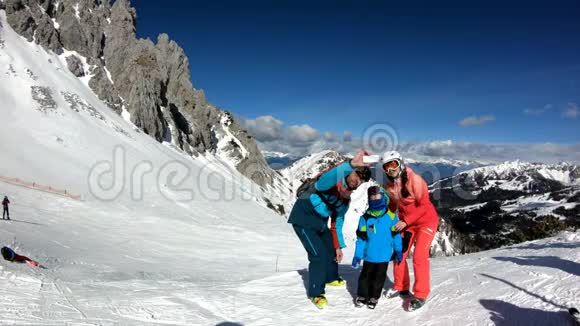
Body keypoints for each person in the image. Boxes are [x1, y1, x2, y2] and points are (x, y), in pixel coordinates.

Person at [288, 149, 372, 309]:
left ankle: (331, 277)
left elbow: (337, 223)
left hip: (320, 223)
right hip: (303, 220)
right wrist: (351, 164)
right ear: (349, 172)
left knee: (331, 248)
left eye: (362, 179)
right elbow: (322, 182)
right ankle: (316, 293)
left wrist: (338, 246)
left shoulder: (345, 198)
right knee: (318, 255)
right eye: (357, 175)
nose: (358, 181)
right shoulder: (332, 181)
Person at [382, 151, 439, 311]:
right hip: (408, 224)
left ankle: (421, 294)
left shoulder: (415, 180)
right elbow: (392, 206)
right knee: (399, 254)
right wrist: (385, 222)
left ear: (400, 163)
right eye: (386, 167)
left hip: (426, 222)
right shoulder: (390, 186)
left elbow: (425, 205)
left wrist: (405, 221)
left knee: (419, 257)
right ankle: (401, 286)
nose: (390, 169)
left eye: (393, 164)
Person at [351, 186, 403, 309]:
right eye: (372, 197)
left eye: (378, 196)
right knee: (365, 277)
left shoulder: (391, 217)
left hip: (384, 256)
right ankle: (362, 296)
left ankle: (374, 297)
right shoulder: (364, 219)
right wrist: (358, 255)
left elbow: (396, 235)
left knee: (379, 278)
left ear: (384, 198)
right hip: (369, 255)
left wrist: (398, 250)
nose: (375, 199)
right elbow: (361, 239)